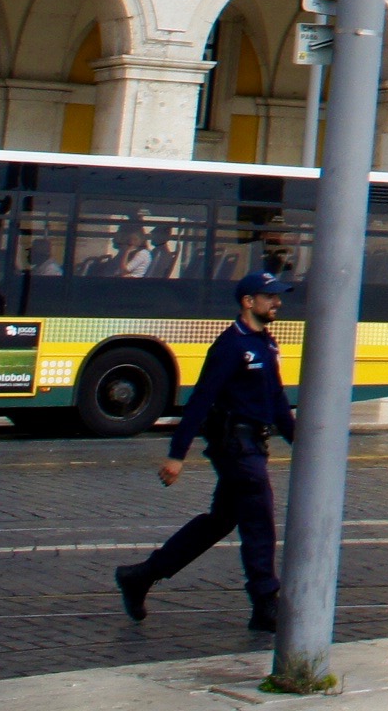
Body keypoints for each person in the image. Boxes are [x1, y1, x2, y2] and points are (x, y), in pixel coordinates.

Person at [115, 270, 296, 632]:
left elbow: (276, 399)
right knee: (259, 518)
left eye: (278, 296)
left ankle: (141, 576)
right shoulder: (230, 346)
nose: (277, 302)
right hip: (235, 447)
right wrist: (176, 454)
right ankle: (265, 602)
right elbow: (200, 400)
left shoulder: (265, 343)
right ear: (248, 302)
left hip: (253, 444)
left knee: (221, 520)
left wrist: (302, 444)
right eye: (269, 296)